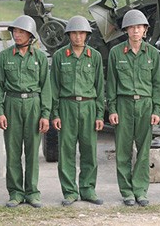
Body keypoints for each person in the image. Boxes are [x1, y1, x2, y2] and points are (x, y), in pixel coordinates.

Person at [0, 15, 52, 208]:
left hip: (33, 105)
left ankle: (32, 192)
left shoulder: (40, 58)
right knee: (13, 151)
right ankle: (15, 193)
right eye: (15, 32)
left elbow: (46, 88)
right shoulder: (4, 57)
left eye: (21, 32)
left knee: (32, 152)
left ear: (30, 35)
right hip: (12, 104)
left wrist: (45, 115)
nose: (17, 36)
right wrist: (0, 112)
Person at [107, 10, 160, 207]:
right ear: (126, 30)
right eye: (132, 27)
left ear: (145, 30)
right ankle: (127, 192)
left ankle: (140, 190)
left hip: (145, 106)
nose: (136, 30)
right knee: (123, 151)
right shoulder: (116, 53)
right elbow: (111, 85)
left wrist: (157, 110)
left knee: (143, 150)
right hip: (123, 105)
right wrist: (112, 109)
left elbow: (158, 85)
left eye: (139, 27)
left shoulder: (153, 54)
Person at [50, 16, 105, 207]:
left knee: (89, 150)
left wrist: (100, 114)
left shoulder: (95, 57)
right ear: (68, 35)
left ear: (87, 35)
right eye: (74, 33)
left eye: (81, 33)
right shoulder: (59, 57)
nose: (77, 37)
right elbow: (54, 88)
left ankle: (88, 189)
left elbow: (100, 88)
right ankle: (70, 191)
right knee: (66, 151)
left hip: (89, 106)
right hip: (67, 106)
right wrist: (55, 114)